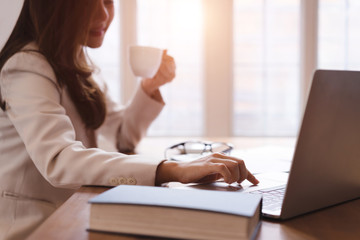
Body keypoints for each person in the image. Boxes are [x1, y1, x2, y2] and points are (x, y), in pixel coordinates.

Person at [0, 0, 259, 239]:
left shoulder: (75, 61)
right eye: (91, 4)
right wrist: (174, 169)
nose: (104, 14)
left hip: (73, 213)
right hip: (36, 227)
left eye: (109, 1)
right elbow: (58, 160)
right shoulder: (26, 66)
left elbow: (122, 137)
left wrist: (149, 87)